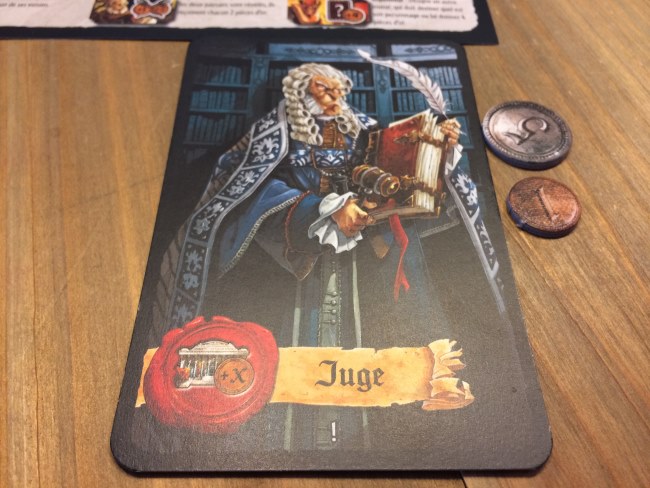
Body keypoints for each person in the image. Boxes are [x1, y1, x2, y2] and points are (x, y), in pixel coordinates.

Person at [157, 62, 466, 450]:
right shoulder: (273, 135)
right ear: (300, 92)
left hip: (367, 260)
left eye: (339, 89)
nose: (335, 96)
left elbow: (402, 176)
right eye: (324, 88)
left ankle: (389, 442)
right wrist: (321, 211)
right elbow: (249, 191)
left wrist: (436, 151)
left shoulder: (367, 131)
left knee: (389, 352)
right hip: (297, 263)